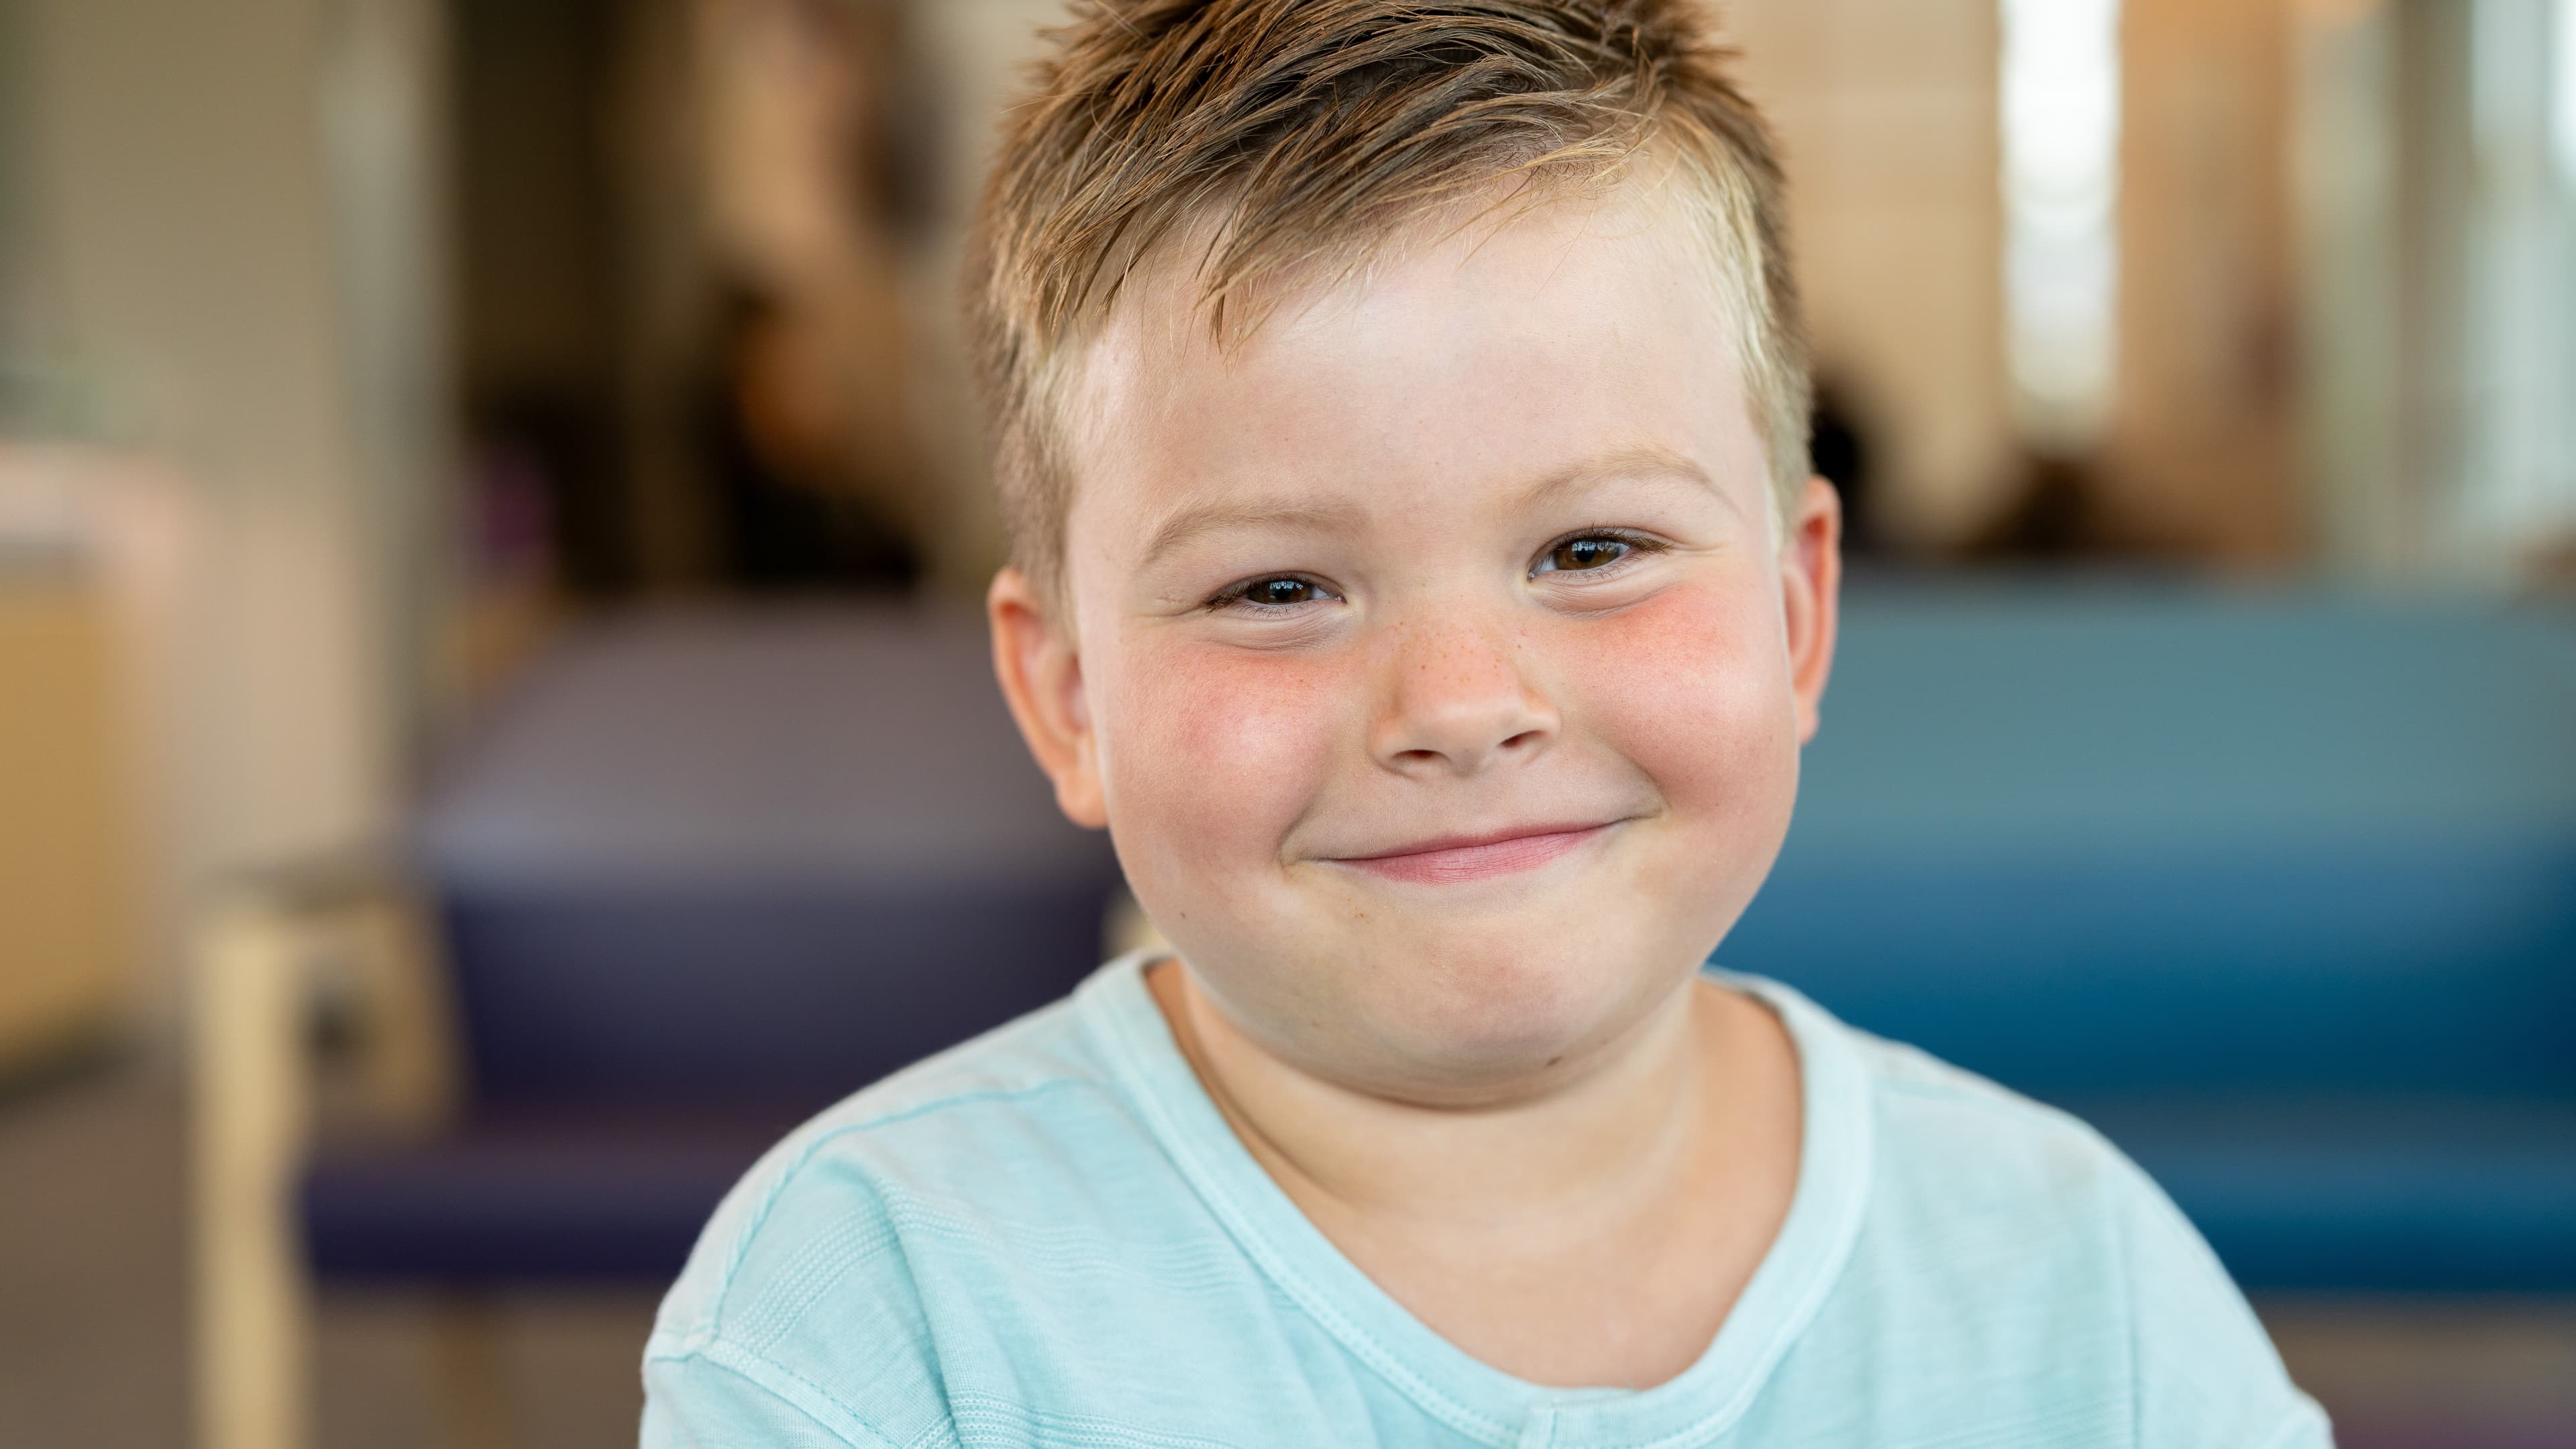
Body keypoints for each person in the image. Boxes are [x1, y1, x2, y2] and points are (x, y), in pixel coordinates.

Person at [642, 3, 2331, 1443]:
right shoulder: (877, 1315)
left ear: (1801, 613)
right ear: (1067, 695)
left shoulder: (2076, 1293)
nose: (1461, 708)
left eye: (1593, 551)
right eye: (1277, 589)